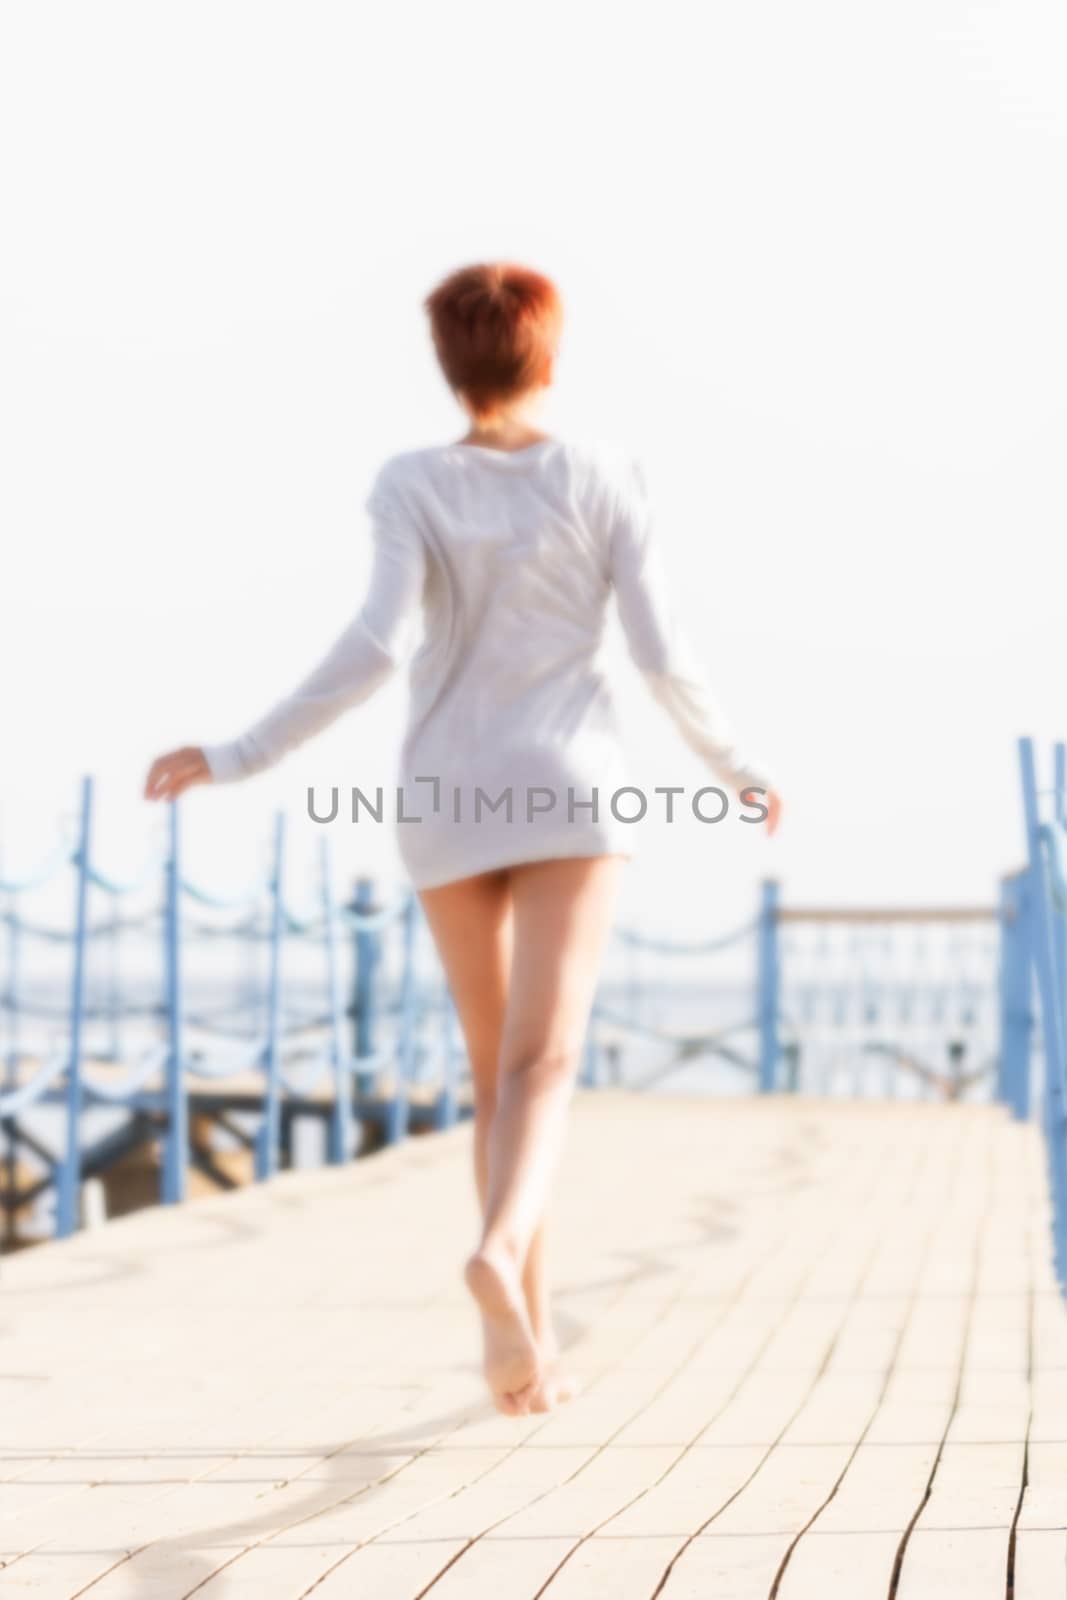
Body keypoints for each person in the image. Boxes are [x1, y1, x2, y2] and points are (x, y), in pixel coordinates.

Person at [145, 261, 781, 1417]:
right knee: (546, 1065)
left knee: (495, 1075)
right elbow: (657, 653)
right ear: (547, 356)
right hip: (571, 789)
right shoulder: (604, 473)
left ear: (448, 363)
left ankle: (528, 1347)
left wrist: (239, 753)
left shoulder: (408, 483)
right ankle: (502, 1260)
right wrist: (733, 767)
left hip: (444, 791)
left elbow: (376, 647)